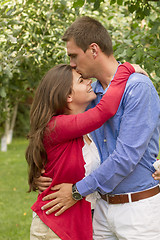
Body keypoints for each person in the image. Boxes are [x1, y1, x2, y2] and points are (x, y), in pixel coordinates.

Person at [38, 16, 160, 240]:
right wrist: (41, 173)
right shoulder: (89, 95)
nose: (72, 64)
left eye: (73, 55)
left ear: (93, 50)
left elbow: (125, 157)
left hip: (137, 211)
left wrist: (76, 191)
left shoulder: (137, 87)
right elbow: (56, 136)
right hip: (99, 210)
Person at [26, 62, 136, 240]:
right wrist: (125, 69)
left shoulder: (85, 130)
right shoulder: (57, 126)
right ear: (68, 96)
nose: (89, 81)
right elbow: (105, 110)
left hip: (79, 226)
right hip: (55, 229)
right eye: (81, 80)